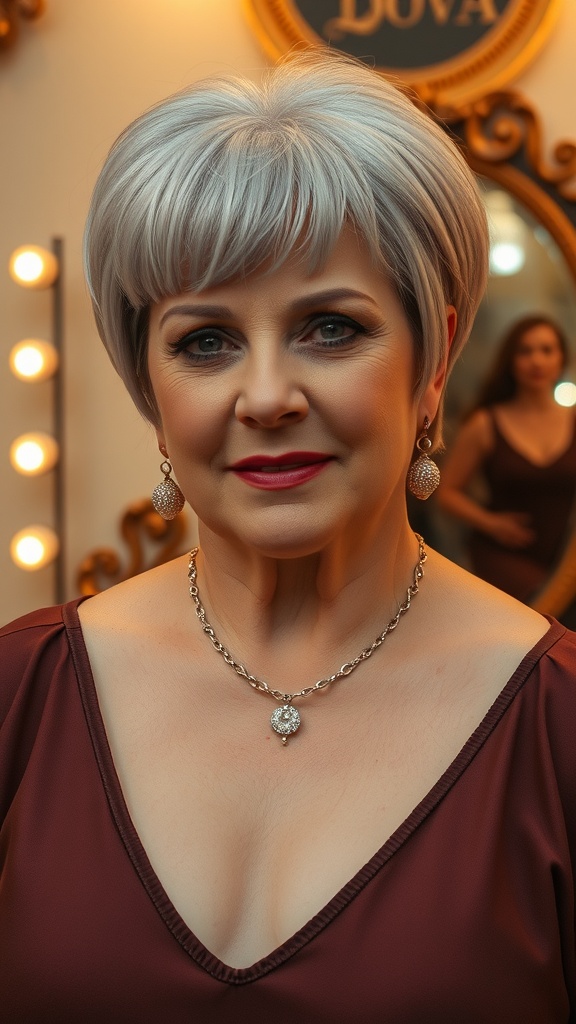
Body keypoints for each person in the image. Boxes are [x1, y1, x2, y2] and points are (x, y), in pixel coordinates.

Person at [1, 52, 575, 1022]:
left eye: (330, 329)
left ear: (433, 362)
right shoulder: (22, 696)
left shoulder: (557, 729)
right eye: (206, 341)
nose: (266, 397)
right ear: (150, 387)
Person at [437, 315, 576, 606]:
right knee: (537, 606)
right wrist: (491, 524)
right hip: (500, 554)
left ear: (561, 358)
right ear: (511, 360)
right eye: (525, 351)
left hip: (560, 554)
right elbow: (446, 492)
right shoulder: (485, 423)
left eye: (546, 350)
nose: (537, 361)